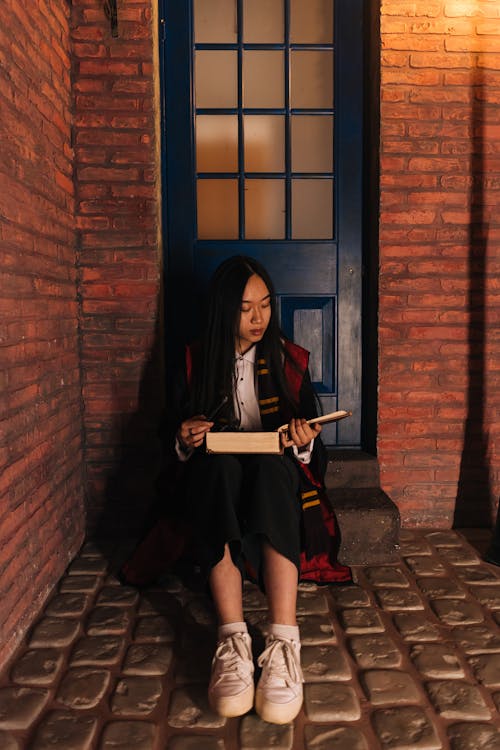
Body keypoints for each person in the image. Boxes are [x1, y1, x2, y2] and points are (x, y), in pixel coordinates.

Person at [168, 255, 350, 724]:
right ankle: (232, 639)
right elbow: (168, 434)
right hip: (221, 480)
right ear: (223, 310)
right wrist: (185, 438)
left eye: (266, 306)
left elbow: (314, 447)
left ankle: (284, 642)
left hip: (274, 479)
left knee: (272, 471)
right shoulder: (195, 360)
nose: (258, 319)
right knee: (216, 468)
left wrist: (305, 443)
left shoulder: (289, 360)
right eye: (246, 308)